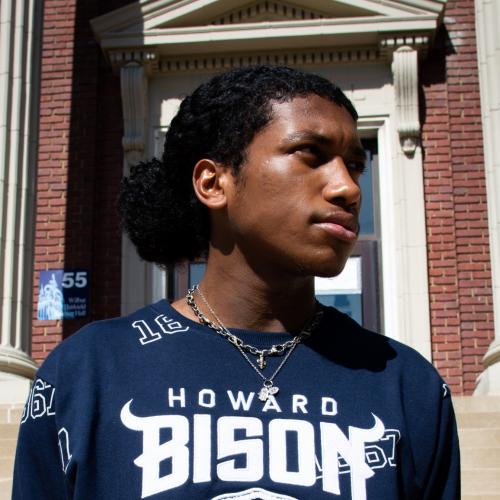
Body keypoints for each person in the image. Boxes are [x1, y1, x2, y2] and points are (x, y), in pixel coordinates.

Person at [13, 65, 460, 499]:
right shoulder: (88, 372)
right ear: (213, 183)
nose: (348, 187)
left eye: (356, 165)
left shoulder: (408, 387)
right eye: (311, 154)